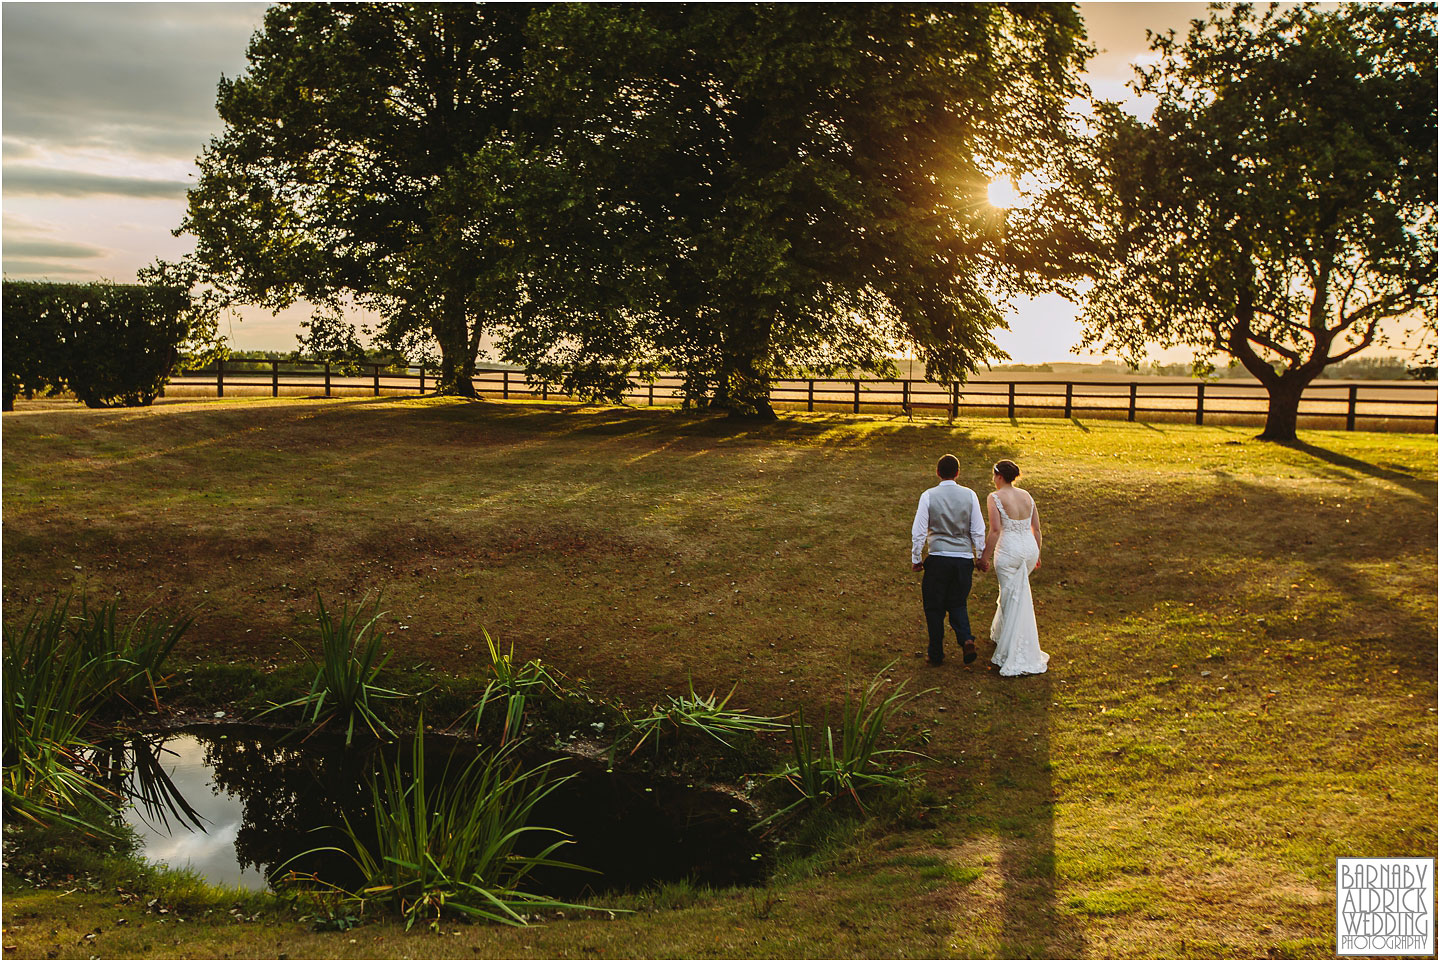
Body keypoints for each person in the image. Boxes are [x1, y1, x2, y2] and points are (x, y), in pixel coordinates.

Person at [910, 454, 986, 666]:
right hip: (963, 559)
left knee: (934, 607)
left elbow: (918, 531)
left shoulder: (928, 496)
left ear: (937, 473)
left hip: (938, 557)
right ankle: (966, 639)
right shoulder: (970, 495)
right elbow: (978, 530)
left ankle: (935, 653)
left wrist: (917, 558)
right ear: (957, 473)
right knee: (957, 602)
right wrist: (980, 557)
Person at [979, 459, 1048, 676]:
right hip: (1028, 551)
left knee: (1012, 597)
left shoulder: (994, 497)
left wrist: (984, 557)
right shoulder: (1027, 495)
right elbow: (1036, 529)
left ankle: (1015, 649)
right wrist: (1037, 554)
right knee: (1015, 594)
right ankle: (1002, 635)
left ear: (999, 476)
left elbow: (996, 530)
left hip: (1009, 552)